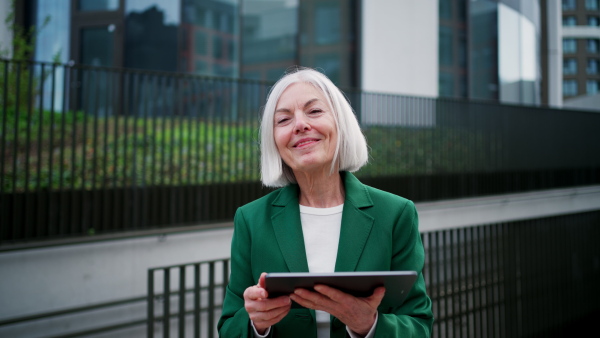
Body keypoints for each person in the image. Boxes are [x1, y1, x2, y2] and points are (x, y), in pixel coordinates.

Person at [217, 67, 433, 338]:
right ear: (274, 141)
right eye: (283, 119)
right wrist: (256, 324)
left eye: (314, 111)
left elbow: (419, 326)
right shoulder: (250, 219)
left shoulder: (395, 214)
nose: (299, 124)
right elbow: (228, 328)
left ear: (340, 123)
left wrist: (369, 325)